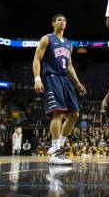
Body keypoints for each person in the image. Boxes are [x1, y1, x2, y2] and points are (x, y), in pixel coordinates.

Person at [33, 14, 86, 166]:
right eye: (59, 20)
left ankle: (57, 146)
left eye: (64, 20)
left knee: (75, 114)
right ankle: (56, 152)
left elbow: (69, 66)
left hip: (65, 79)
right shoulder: (47, 38)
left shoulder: (69, 43)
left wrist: (77, 83)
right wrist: (37, 78)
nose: (62, 22)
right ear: (53, 23)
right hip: (52, 77)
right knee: (58, 113)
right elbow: (37, 58)